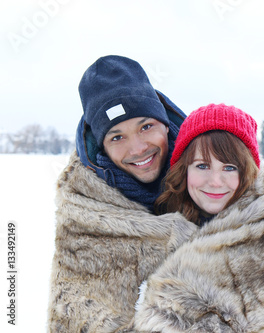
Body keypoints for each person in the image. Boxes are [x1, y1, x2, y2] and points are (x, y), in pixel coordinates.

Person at [131, 104, 264, 332]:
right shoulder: (165, 227)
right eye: (202, 166)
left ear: (247, 172)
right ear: (184, 171)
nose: (215, 181)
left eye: (229, 168)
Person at [47, 55, 198, 332]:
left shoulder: (213, 177)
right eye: (117, 137)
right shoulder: (86, 217)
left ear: (165, 123)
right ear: (102, 147)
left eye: (146, 126)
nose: (138, 148)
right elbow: (77, 317)